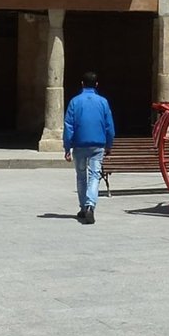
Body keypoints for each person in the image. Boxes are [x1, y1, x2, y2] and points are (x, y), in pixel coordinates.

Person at [63, 72, 115, 224]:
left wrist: (67, 147)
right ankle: (90, 206)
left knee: (81, 176)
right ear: (97, 84)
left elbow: (68, 126)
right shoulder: (103, 102)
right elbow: (109, 126)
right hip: (97, 144)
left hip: (79, 144)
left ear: (82, 84)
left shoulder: (74, 102)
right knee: (94, 175)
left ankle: (83, 206)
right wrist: (109, 145)